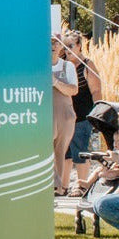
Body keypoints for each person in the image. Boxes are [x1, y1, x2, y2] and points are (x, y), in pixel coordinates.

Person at [62, 31, 101, 194]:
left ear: (79, 46)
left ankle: (82, 186)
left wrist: (97, 115)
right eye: (64, 47)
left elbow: (96, 91)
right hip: (66, 116)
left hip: (83, 116)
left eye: (70, 46)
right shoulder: (62, 64)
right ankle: (63, 186)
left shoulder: (87, 64)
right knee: (65, 153)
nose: (67, 50)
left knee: (80, 151)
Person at [50, 35, 77, 197]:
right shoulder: (39, 66)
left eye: (55, 43)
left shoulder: (67, 67)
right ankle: (50, 184)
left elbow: (73, 90)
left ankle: (58, 187)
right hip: (44, 113)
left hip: (64, 114)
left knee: (60, 151)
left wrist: (56, 83)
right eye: (49, 42)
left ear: (61, 47)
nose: (52, 46)